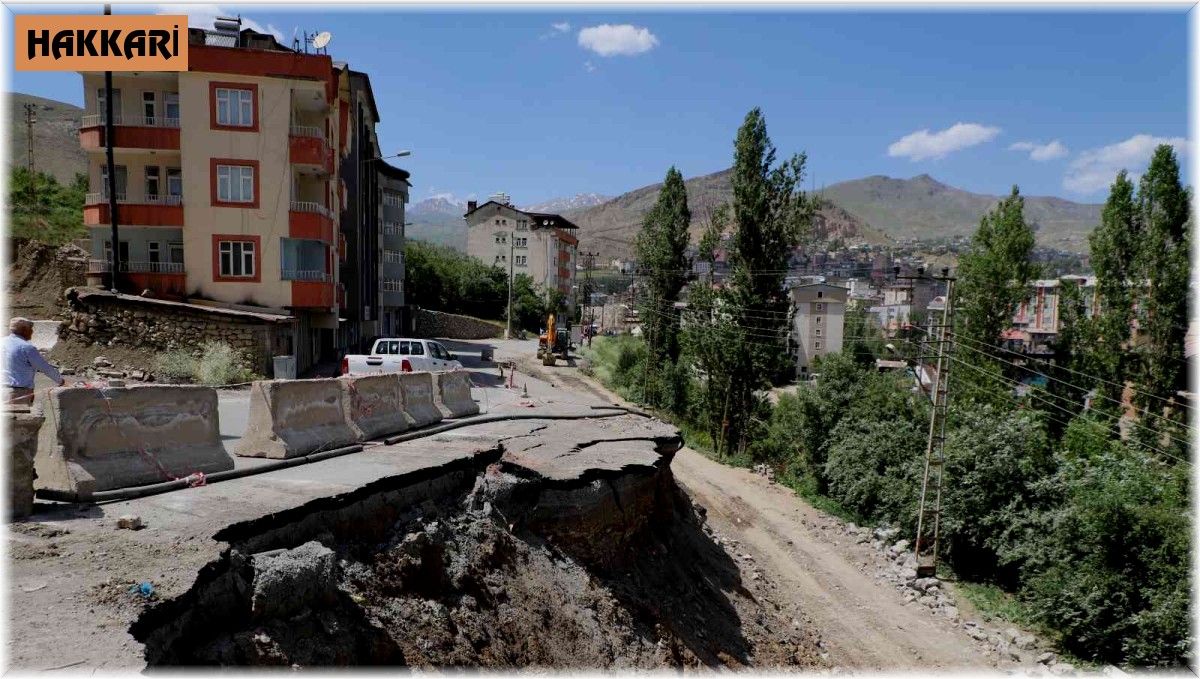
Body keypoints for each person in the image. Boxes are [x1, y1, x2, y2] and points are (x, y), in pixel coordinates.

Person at [2, 317, 64, 410]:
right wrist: (61, 381)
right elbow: (45, 368)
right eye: (30, 329)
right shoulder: (26, 347)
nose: (31, 332)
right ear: (24, 330)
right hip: (18, 393)